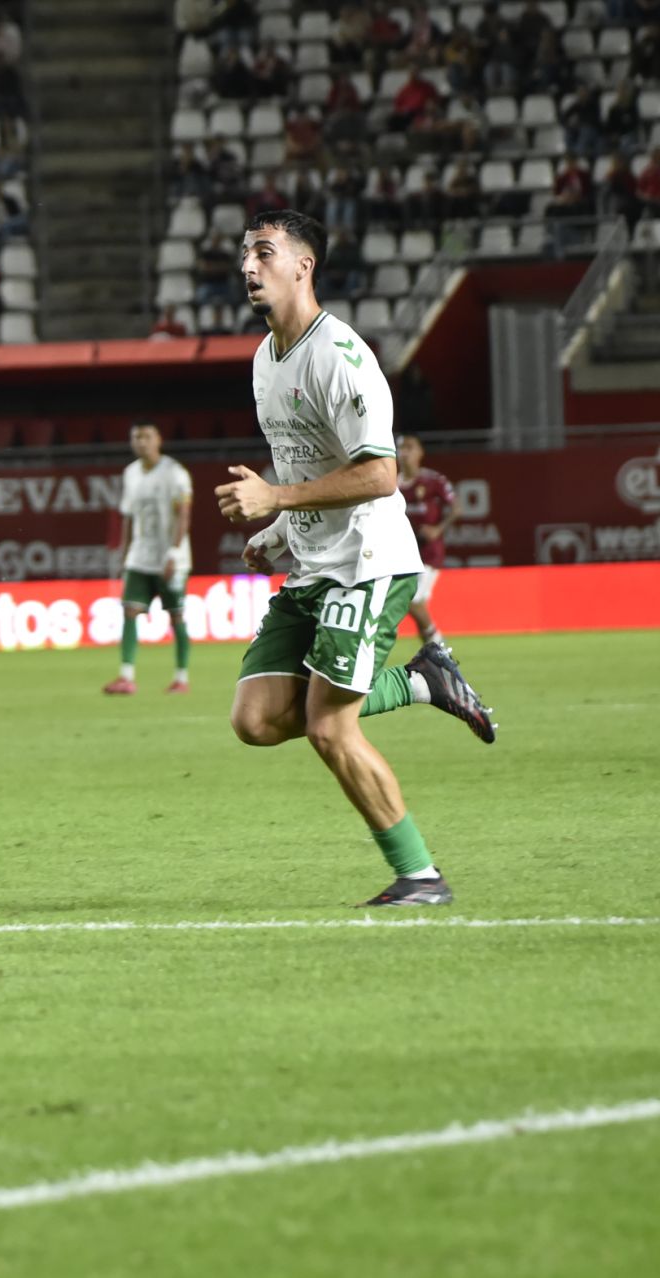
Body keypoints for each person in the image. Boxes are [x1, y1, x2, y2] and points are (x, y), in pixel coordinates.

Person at [216, 210, 496, 910]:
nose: (248, 267)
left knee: (327, 726)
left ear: (303, 266)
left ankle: (421, 876)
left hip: (369, 562)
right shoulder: (265, 360)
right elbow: (306, 466)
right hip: (313, 565)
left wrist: (274, 495)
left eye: (263, 252)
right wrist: (277, 530)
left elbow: (378, 474)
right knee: (255, 719)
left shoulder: (340, 356)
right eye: (244, 255)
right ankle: (424, 683)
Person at [103, 422, 193, 696]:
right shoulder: (130, 473)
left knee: (176, 616)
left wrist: (175, 552)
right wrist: (124, 553)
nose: (141, 442)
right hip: (140, 556)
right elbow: (129, 517)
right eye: (136, 437)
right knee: (130, 610)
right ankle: (126, 676)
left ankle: (181, 678)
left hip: (169, 557)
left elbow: (183, 514)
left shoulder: (174, 473)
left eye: (147, 436)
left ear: (158, 439)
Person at [397, 434, 458, 650]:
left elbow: (456, 507)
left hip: (428, 552)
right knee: (410, 602)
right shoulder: (391, 484)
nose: (404, 452)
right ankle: (433, 653)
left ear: (421, 453)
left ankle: (438, 644)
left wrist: (437, 529)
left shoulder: (434, 481)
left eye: (410, 448)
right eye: (401, 448)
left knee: (412, 600)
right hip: (402, 551)